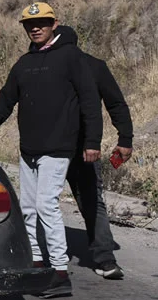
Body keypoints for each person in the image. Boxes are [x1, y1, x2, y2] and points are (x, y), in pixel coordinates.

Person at [0, 2, 103, 298]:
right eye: (30, 24)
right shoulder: (24, 64)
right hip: (29, 149)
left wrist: (93, 142)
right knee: (28, 208)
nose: (36, 28)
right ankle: (35, 262)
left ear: (55, 24)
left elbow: (90, 101)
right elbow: (4, 103)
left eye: (42, 22)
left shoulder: (71, 57)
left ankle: (59, 272)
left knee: (46, 205)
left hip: (58, 148)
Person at [53, 25, 133, 280]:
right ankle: (105, 259)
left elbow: (115, 103)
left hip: (63, 147)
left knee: (44, 202)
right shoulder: (90, 65)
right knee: (90, 200)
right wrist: (125, 139)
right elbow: (117, 104)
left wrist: (125, 138)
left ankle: (41, 256)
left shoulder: (72, 65)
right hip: (76, 146)